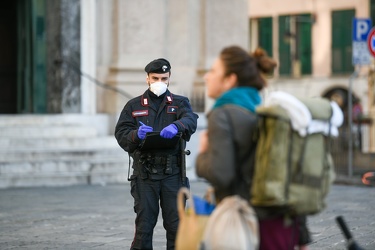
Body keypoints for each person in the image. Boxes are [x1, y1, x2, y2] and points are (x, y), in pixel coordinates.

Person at [195, 45, 311, 250]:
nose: (206, 77)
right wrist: (302, 237)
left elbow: (222, 174)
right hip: (281, 227)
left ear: (230, 79)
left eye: (213, 71)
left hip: (244, 227)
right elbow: (288, 172)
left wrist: (202, 156)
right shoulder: (266, 110)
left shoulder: (223, 113)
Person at [115, 58, 198, 250]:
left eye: (164, 78)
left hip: (173, 173)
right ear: (147, 78)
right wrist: (135, 135)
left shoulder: (179, 103)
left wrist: (177, 125)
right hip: (145, 174)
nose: (159, 82)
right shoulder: (134, 105)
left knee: (176, 226)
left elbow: (190, 120)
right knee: (144, 226)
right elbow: (121, 133)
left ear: (169, 78)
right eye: (155, 77)